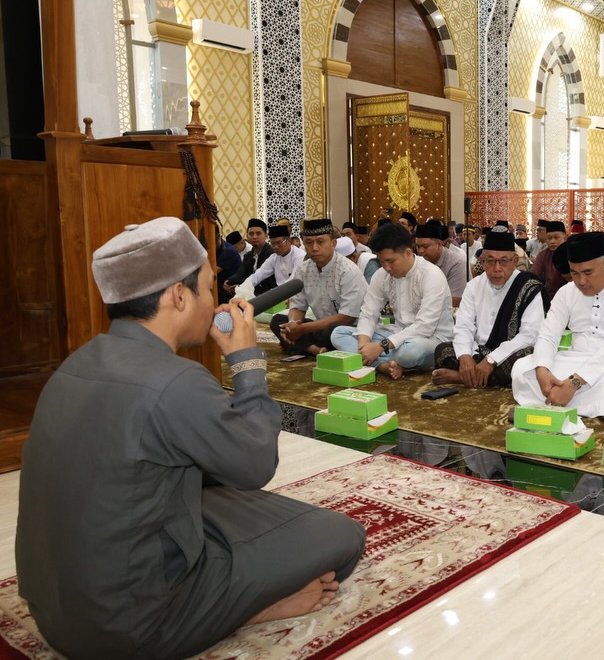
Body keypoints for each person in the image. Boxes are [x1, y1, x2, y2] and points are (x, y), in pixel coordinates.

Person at [16, 217, 365, 660]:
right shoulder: (175, 380)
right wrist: (246, 361)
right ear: (178, 295)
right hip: (133, 627)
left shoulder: (77, 363)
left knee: (216, 497)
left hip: (55, 611)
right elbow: (256, 465)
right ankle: (246, 607)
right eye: (208, 285)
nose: (216, 299)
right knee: (341, 535)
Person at [512, 232, 604, 419]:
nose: (580, 281)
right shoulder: (566, 292)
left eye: (588, 272)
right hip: (576, 359)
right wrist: (542, 370)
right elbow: (548, 335)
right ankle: (602, 405)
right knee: (522, 368)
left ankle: (563, 398)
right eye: (574, 273)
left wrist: (573, 384)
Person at [331, 222, 454, 379]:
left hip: (431, 339)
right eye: (382, 262)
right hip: (396, 334)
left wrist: (380, 346)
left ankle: (386, 361)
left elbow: (425, 327)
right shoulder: (382, 274)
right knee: (338, 333)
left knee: (410, 352)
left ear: (408, 253)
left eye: (391, 261)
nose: (386, 267)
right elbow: (368, 312)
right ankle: (382, 365)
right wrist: (365, 345)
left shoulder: (431, 275)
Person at [432, 231, 548, 387]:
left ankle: (461, 377)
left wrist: (492, 360)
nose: (497, 268)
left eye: (504, 261)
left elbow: (530, 334)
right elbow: (463, 325)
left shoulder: (528, 288)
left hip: (509, 355)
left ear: (514, 262)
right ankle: (480, 376)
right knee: (442, 350)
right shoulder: (473, 286)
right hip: (478, 352)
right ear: (482, 261)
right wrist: (466, 356)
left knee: (528, 357)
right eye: (491, 261)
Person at [270, 219, 367, 356]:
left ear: (333, 244)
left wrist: (303, 329)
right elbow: (298, 306)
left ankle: (304, 346)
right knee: (278, 321)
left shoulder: (348, 271)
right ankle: (315, 350)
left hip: (348, 330)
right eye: (309, 243)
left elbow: (347, 318)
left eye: (320, 242)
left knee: (335, 330)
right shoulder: (303, 270)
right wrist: (293, 325)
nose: (314, 248)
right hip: (319, 328)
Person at [415, 221, 467, 305]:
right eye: (418, 246)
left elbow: (456, 301)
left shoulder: (457, 263)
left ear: (439, 245)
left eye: (425, 247)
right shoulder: (417, 262)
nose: (420, 251)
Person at [247, 224, 306, 291]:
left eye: (279, 243)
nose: (275, 247)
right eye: (273, 243)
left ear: (289, 241)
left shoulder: (300, 256)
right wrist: (243, 287)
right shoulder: (274, 258)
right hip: (280, 294)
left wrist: (274, 293)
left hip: (297, 295)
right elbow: (258, 275)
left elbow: (293, 281)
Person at [224, 218, 274, 296]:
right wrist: (228, 281)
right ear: (247, 236)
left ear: (266, 236)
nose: (254, 237)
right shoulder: (248, 256)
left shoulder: (272, 254)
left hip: (269, 296)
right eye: (251, 234)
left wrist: (241, 286)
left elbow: (265, 283)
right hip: (251, 294)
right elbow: (239, 274)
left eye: (258, 233)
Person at [531, 220, 569, 298]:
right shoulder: (543, 254)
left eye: (556, 237)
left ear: (565, 238)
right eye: (549, 238)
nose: (552, 241)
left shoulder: (571, 253)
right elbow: (534, 275)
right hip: (550, 296)